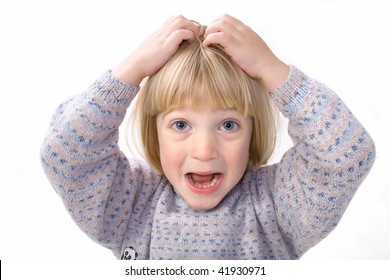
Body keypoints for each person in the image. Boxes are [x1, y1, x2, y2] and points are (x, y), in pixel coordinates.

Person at [40, 14, 375, 260]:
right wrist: (133, 68)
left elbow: (346, 156)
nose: (204, 150)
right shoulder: (131, 206)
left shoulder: (276, 207)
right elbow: (66, 154)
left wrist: (271, 68)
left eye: (228, 125)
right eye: (181, 125)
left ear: (252, 132)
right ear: (154, 133)